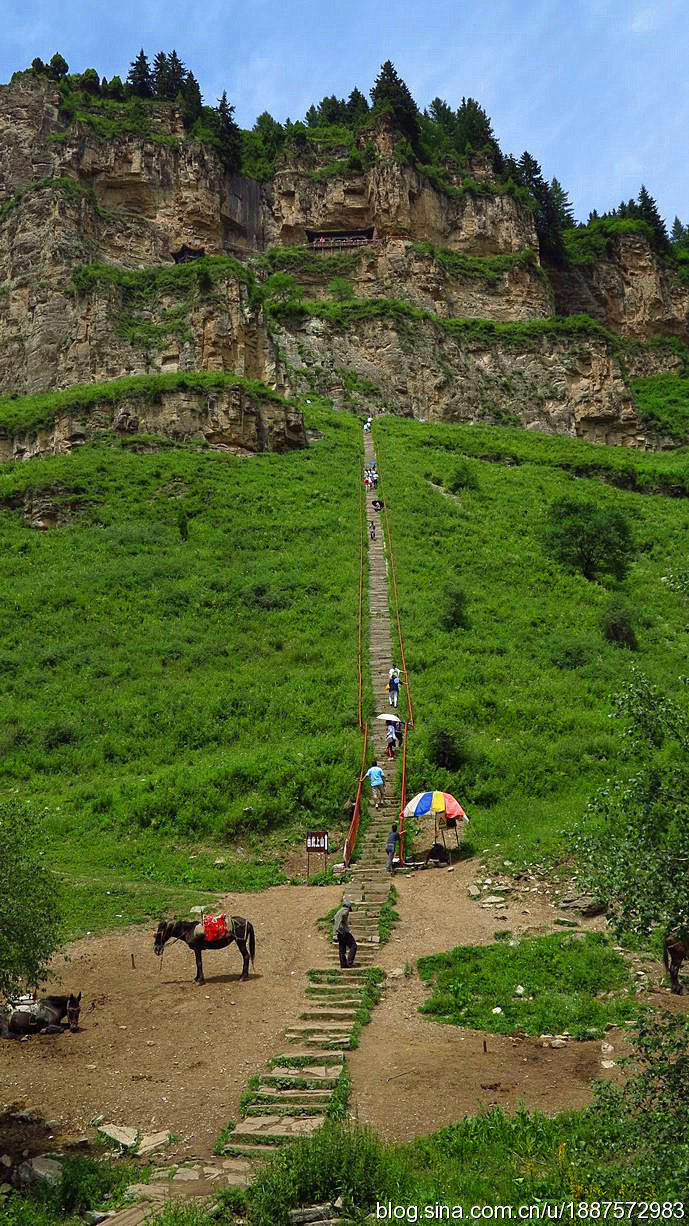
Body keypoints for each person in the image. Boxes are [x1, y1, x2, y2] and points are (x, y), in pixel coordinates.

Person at [333, 900, 357, 968]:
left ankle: (343, 964)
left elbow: (334, 919)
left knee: (342, 949)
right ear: (348, 907)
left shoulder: (338, 911)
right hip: (344, 931)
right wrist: (343, 919)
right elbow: (344, 914)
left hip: (338, 932)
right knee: (353, 945)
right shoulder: (345, 910)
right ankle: (349, 962)